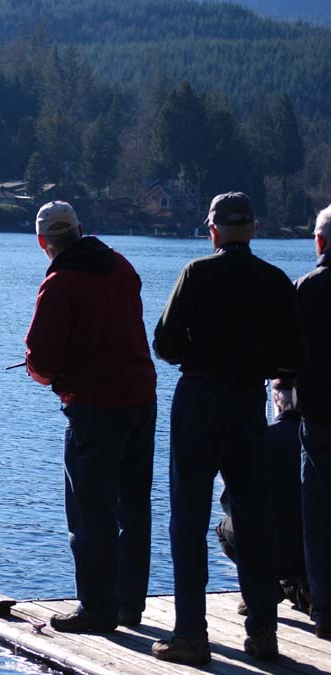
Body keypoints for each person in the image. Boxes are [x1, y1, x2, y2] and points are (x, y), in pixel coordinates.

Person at [152, 192, 299, 664]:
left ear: (212, 230)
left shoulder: (197, 273)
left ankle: (191, 635)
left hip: (197, 398)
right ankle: (263, 634)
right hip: (247, 402)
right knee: (255, 519)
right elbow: (292, 356)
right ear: (253, 230)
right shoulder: (276, 281)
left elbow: (165, 343)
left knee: (188, 521)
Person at [25, 201, 157, 634]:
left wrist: (46, 373)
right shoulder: (121, 266)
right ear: (80, 230)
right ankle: (129, 605)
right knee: (134, 506)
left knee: (90, 510)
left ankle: (97, 609)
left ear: (43, 241)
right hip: (141, 400)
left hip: (95, 408)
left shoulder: (60, 283)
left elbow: (40, 362)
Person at [214, 377, 309, 616]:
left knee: (225, 529)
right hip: (312, 548)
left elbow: (230, 503)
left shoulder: (261, 440)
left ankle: (264, 589)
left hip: (269, 546)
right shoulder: (316, 442)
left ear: (276, 402)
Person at [295, 204, 331, 641]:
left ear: (319, 243)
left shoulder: (305, 288)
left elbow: (284, 356)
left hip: (320, 415)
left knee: (319, 516)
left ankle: (325, 611)